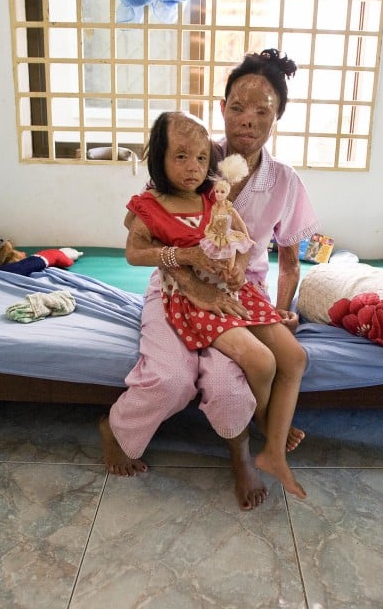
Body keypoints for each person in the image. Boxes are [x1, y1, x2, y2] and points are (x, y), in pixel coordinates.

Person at [100, 49, 319, 510]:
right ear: (222, 108)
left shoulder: (284, 181)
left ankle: (244, 454)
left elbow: (290, 260)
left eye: (263, 110)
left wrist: (285, 308)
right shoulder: (194, 154)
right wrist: (191, 277)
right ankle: (117, 429)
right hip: (175, 285)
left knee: (230, 381)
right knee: (171, 378)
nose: (248, 120)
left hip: (242, 293)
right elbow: (143, 228)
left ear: (278, 115)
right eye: (237, 107)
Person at [124, 110, 306, 498]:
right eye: (181, 156)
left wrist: (240, 265)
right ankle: (263, 418)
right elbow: (135, 253)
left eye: (202, 158)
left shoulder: (213, 196)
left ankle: (266, 429)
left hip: (233, 290)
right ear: (159, 157)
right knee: (261, 360)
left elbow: (245, 237)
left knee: (289, 356)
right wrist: (183, 258)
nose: (193, 168)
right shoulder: (149, 204)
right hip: (189, 298)